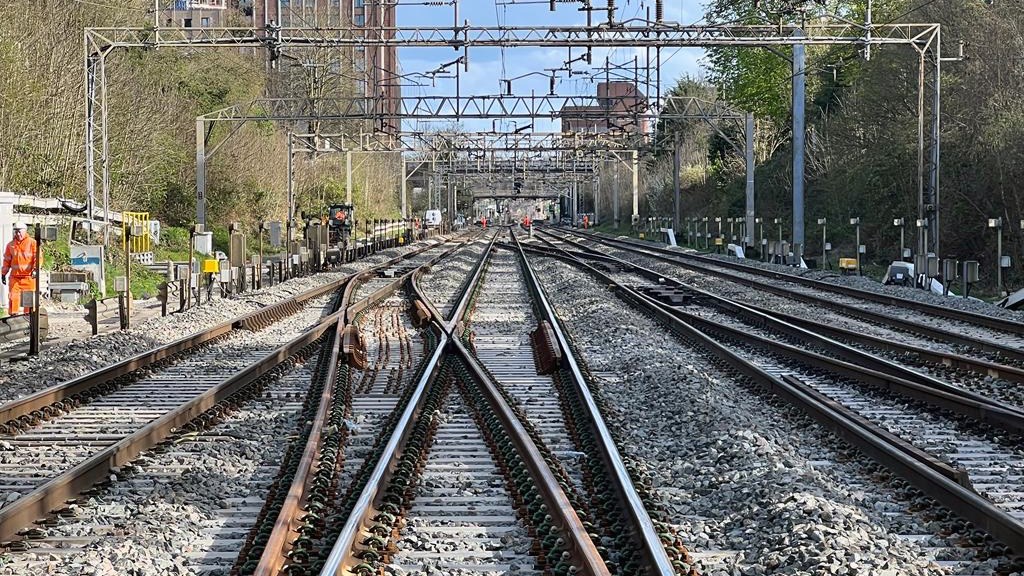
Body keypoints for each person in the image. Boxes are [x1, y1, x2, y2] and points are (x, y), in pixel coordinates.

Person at [2, 222, 39, 315]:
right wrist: (3, 273)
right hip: (15, 278)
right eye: (16, 232)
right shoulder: (10, 245)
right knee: (13, 298)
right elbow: (7, 260)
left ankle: (29, 319)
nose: (18, 234)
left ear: (25, 231)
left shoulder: (32, 243)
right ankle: (12, 318)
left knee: (28, 302)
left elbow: (37, 258)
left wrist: (35, 269)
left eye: (19, 232)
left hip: (29, 278)